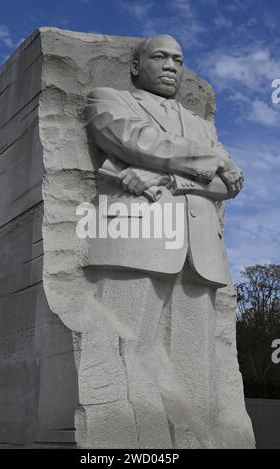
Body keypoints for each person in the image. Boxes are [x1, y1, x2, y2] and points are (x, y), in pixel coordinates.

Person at [82, 35, 244, 448]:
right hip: (135, 241)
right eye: (159, 57)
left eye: (178, 59)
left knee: (197, 370)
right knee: (121, 350)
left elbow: (231, 185)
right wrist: (215, 160)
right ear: (136, 66)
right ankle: (124, 446)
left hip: (200, 254)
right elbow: (137, 142)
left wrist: (167, 177)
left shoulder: (201, 125)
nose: (171, 65)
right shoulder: (109, 100)